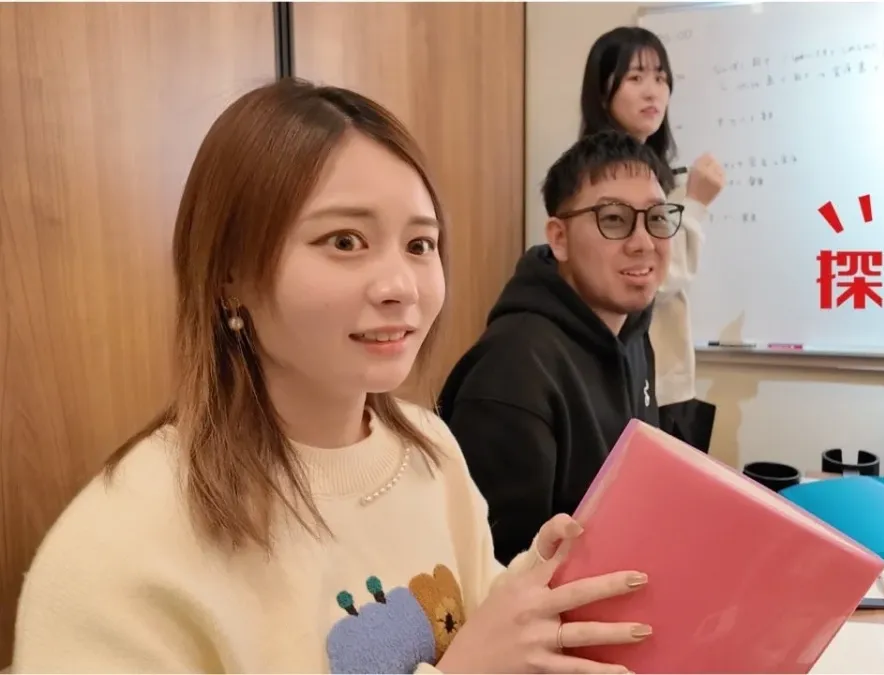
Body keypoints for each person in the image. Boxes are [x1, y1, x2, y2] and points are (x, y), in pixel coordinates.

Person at [12, 79, 650, 674]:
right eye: (345, 241)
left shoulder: (431, 451)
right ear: (230, 274)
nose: (401, 286)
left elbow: (473, 626)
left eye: (420, 245)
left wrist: (531, 592)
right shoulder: (121, 543)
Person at [437, 130, 678, 565]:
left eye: (657, 218)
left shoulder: (633, 331)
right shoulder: (512, 369)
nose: (643, 242)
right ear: (559, 238)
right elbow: (498, 571)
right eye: (613, 219)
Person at [578, 26, 726, 451]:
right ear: (602, 91)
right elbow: (651, 278)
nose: (652, 91)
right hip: (636, 380)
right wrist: (694, 205)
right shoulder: (598, 176)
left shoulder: (654, 170)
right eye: (635, 77)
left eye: (660, 78)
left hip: (663, 376)